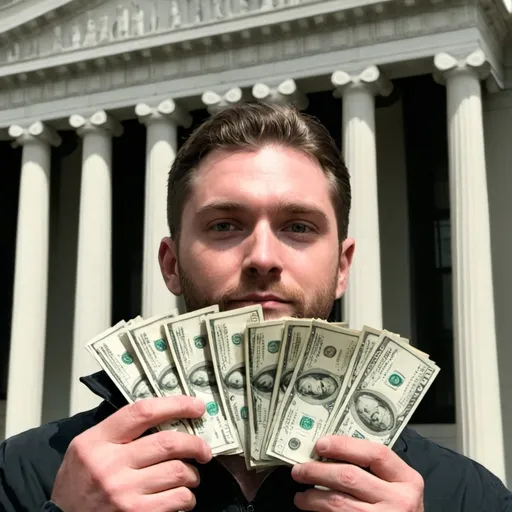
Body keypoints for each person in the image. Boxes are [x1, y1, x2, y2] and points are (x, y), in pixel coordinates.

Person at [0, 102, 510, 512]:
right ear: (171, 264)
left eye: (298, 226)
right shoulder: (28, 474)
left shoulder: (465, 495)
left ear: (341, 268)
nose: (263, 258)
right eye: (225, 225)